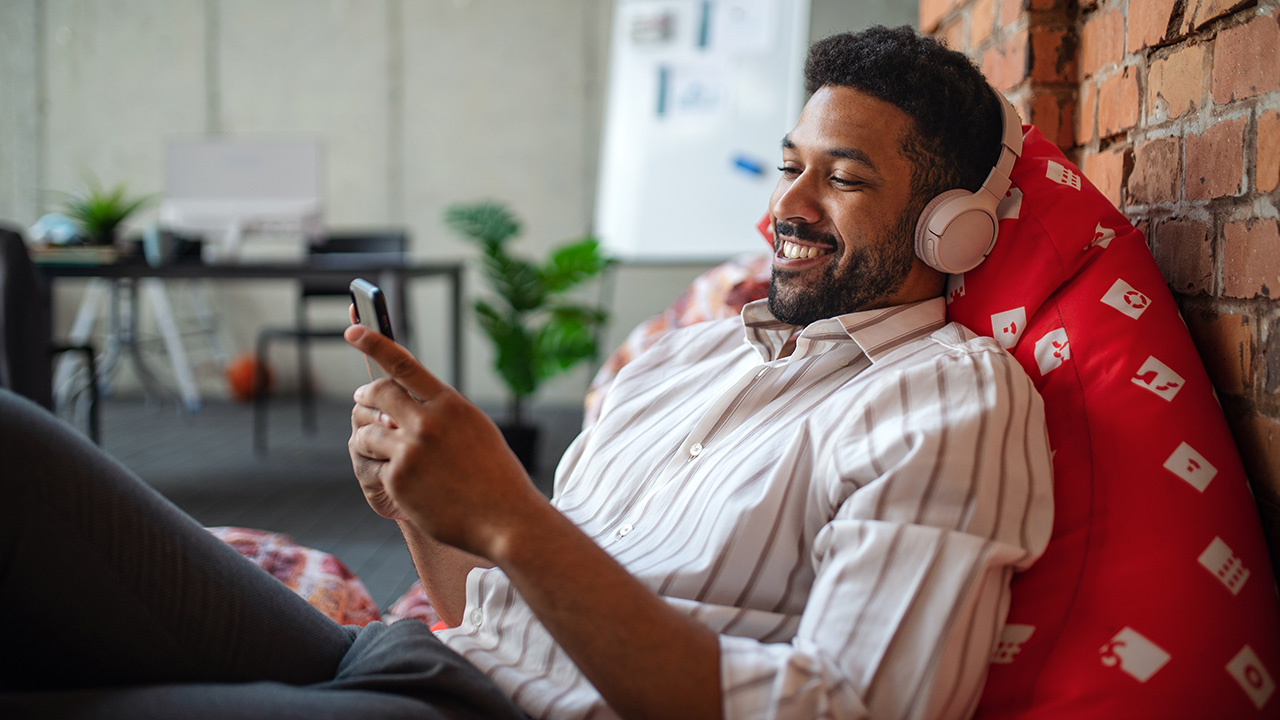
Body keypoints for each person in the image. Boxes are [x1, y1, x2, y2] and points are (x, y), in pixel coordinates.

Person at [1, 25, 1052, 720]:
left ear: (947, 230)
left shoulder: (947, 396)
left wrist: (507, 514)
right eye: (788, 166)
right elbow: (485, 607)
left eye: (844, 178)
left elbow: (852, 708)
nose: (789, 205)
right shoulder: (685, 354)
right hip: (410, 660)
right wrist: (423, 504)